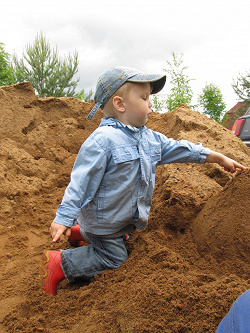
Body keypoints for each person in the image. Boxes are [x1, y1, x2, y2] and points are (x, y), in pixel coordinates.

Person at [39, 66, 245, 296]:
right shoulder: (102, 141)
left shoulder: (149, 138)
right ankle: (60, 263)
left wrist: (215, 157)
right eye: (144, 97)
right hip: (105, 223)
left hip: (120, 220)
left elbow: (179, 148)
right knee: (116, 258)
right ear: (120, 104)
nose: (151, 104)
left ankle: (81, 234)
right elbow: (80, 183)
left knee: (125, 234)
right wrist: (63, 217)